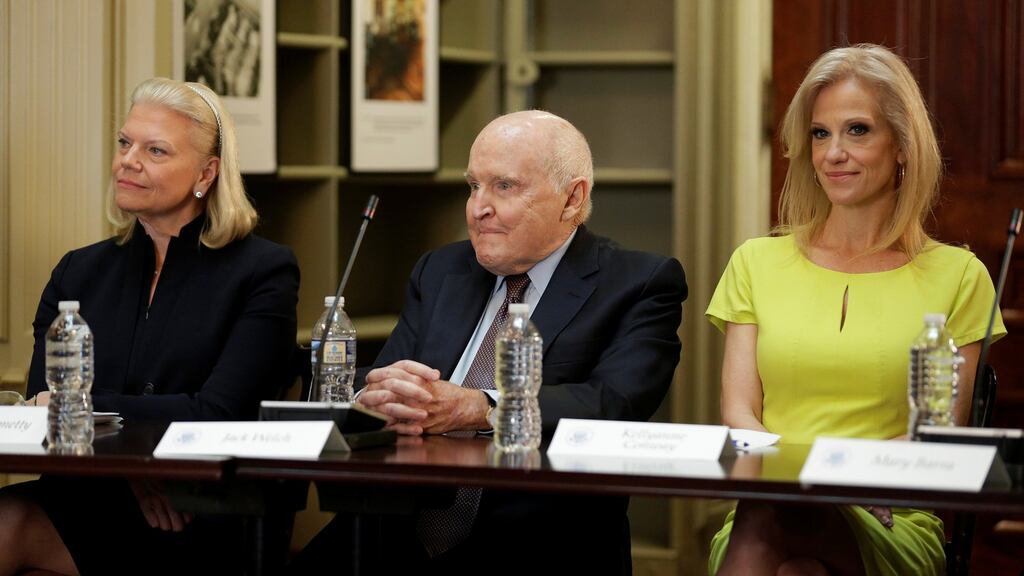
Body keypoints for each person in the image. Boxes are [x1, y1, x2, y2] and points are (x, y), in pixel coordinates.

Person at [291, 110, 687, 574]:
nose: (478, 207)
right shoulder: (441, 270)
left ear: (572, 199)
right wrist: (374, 394)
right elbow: (389, 372)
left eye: (504, 186)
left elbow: (612, 402)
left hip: (538, 542)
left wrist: (479, 407)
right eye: (473, 186)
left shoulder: (638, 282)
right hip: (391, 529)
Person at [705, 44, 1006, 576]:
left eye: (858, 131)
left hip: (891, 512)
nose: (832, 153)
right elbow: (738, 414)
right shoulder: (756, 262)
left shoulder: (960, 276)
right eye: (821, 133)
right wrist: (807, 483)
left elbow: (938, 429)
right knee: (791, 552)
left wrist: (845, 481)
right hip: (768, 498)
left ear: (904, 146)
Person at [0, 77, 299, 575]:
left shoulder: (263, 271)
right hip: (92, 493)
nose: (127, 161)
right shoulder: (78, 271)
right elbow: (42, 411)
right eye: (124, 143)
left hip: (193, 509)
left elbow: (217, 413)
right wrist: (130, 474)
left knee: (7, 525)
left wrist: (98, 416)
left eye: (155, 150)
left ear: (207, 172)